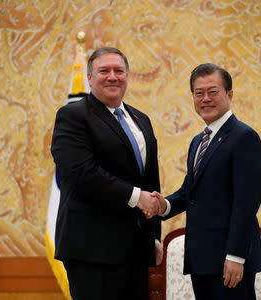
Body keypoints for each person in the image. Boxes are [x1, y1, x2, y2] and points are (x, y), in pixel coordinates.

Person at [51, 47, 163, 300]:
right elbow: (81, 173)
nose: (112, 76)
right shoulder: (72, 116)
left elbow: (150, 181)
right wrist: (135, 197)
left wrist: (153, 237)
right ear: (90, 78)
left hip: (136, 249)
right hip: (92, 251)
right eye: (104, 71)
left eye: (119, 71)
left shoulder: (141, 119)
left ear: (127, 76)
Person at [152, 63, 261, 300]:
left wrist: (235, 256)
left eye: (213, 92)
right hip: (201, 260)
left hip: (228, 261)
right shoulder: (198, 141)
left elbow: (246, 203)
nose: (205, 99)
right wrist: (164, 206)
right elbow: (189, 193)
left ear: (229, 95)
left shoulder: (244, 137)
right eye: (198, 93)